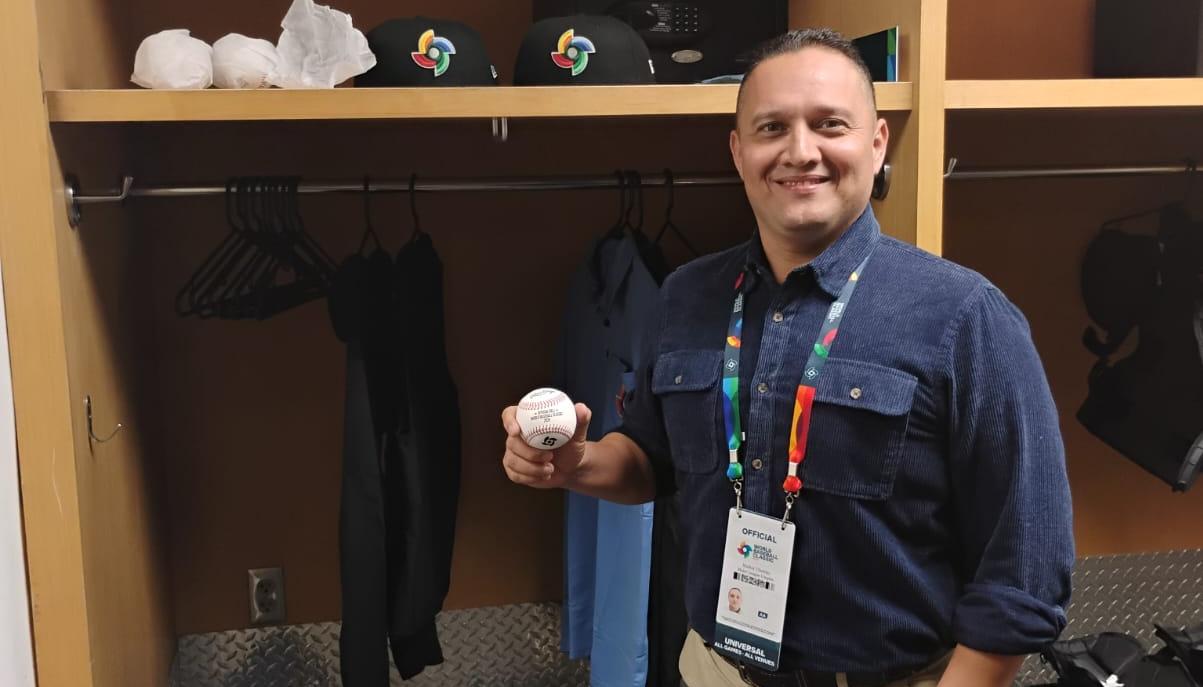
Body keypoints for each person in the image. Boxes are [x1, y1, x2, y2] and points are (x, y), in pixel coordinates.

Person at [501, 28, 1074, 687]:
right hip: (715, 669)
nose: (800, 151)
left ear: (876, 141)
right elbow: (648, 462)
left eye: (828, 124)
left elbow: (1025, 571)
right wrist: (572, 462)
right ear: (738, 152)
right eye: (772, 128)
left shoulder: (965, 317)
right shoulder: (685, 296)